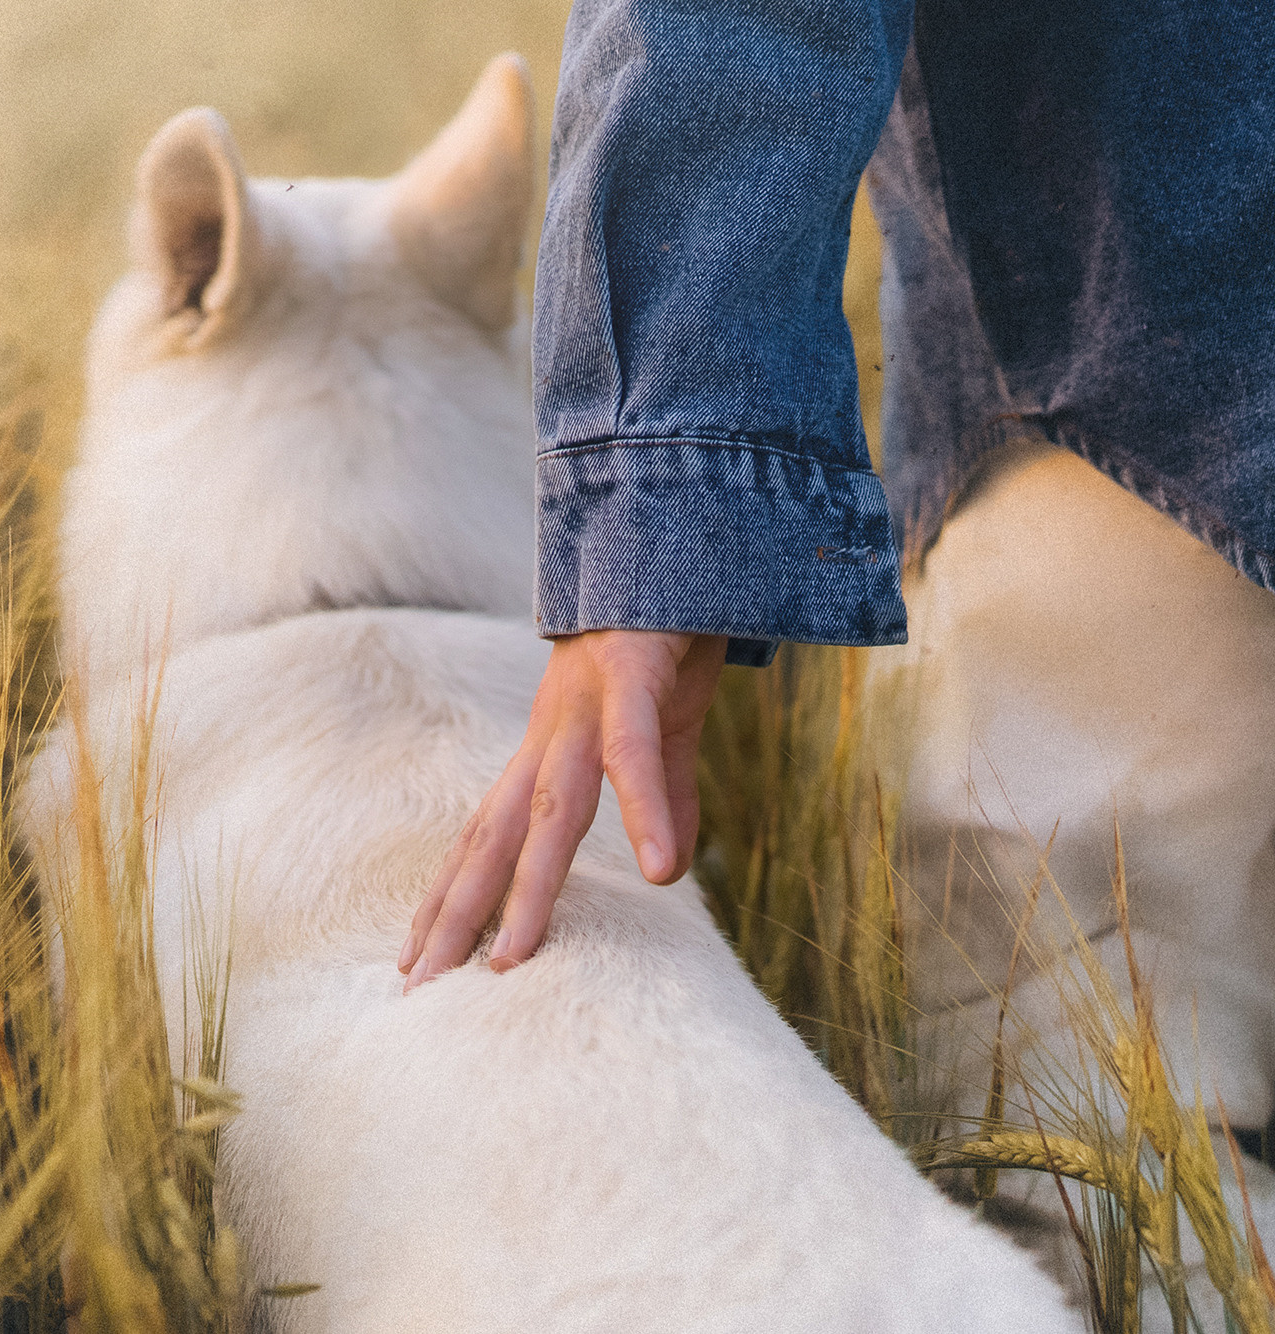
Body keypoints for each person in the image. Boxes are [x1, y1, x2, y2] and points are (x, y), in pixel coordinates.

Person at [398, 0, 1275, 990]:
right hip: (1158, 422)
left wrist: (657, 504)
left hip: (1140, 433)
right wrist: (663, 505)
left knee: (1096, 1039)